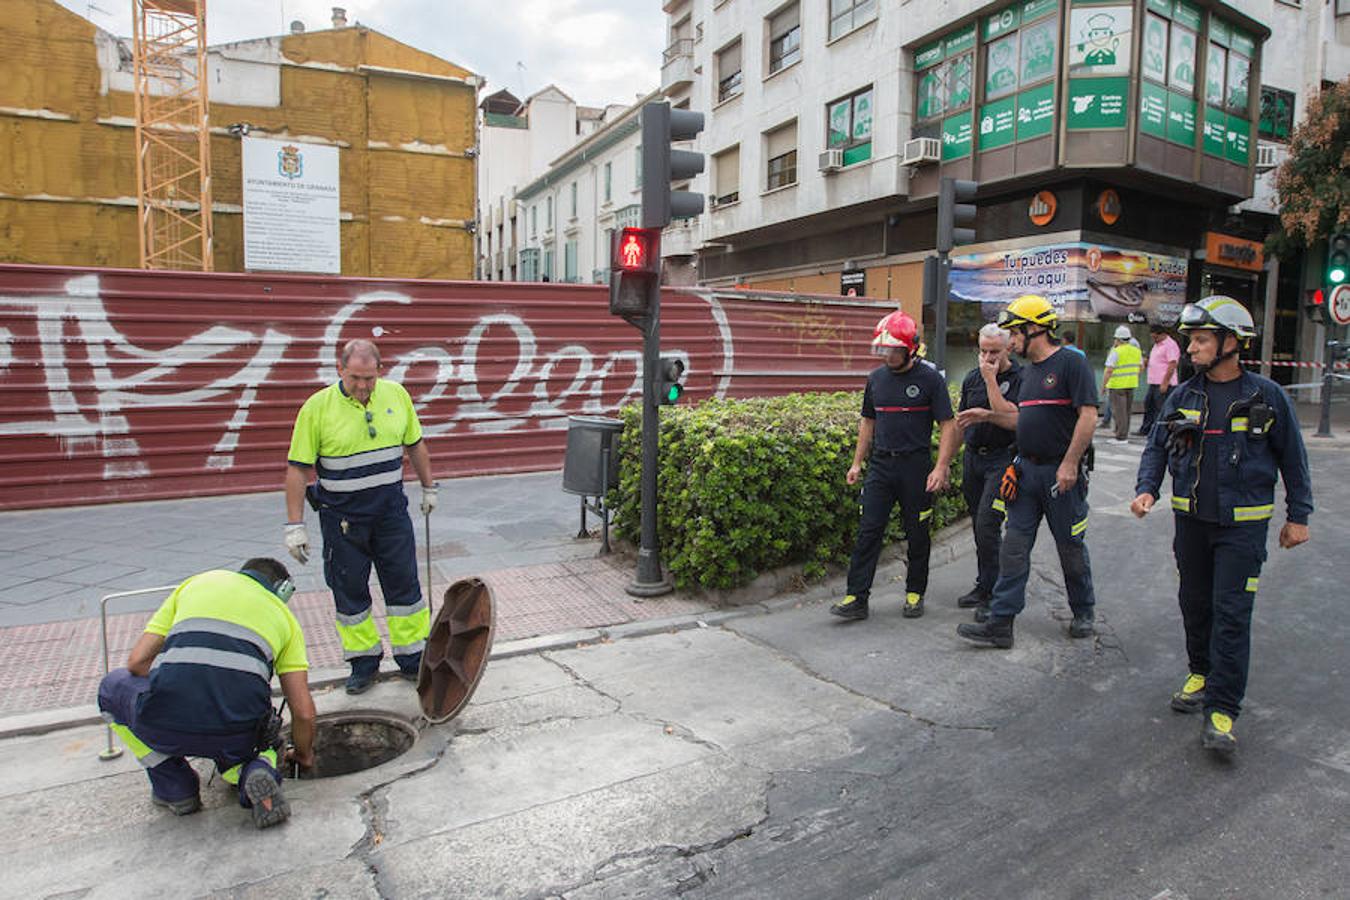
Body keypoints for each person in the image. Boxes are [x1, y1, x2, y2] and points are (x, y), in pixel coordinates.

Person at [1131, 296, 1312, 755]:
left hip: (1242, 528)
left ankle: (1223, 709)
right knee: (1195, 603)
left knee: (1231, 614)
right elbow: (1157, 446)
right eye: (1191, 339)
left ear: (1231, 343)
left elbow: (1294, 457)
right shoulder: (1183, 395)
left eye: (1201, 339)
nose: (1191, 348)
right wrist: (1147, 487)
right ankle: (1201, 671)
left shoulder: (1266, 397)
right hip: (1191, 522)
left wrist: (1299, 517)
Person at [97, 558, 316, 828]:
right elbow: (303, 712)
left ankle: (176, 788)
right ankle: (256, 769)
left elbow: (136, 663)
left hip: (163, 721)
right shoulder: (286, 619)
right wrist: (304, 756)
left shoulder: (197, 583)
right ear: (283, 590)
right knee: (266, 733)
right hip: (236, 734)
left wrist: (185, 683)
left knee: (111, 687)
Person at [284, 339, 437, 695]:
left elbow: (415, 444)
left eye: (369, 378)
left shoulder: (396, 396)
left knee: (405, 587)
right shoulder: (317, 408)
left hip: (390, 514)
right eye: (355, 378)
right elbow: (297, 469)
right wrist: (295, 526)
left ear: (380, 371)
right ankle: (363, 663)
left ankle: (413, 657)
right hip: (343, 520)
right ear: (340, 370)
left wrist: (429, 487)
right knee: (350, 593)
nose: (363, 386)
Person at [957, 295, 1098, 648]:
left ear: (1034, 328)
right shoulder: (1030, 372)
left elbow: (1088, 415)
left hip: (1060, 477)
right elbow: (1019, 418)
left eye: (1014, 333)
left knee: (1070, 547)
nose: (1010, 340)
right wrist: (988, 415)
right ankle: (1001, 623)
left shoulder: (1071, 364)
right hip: (1025, 474)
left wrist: (1069, 463)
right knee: (1014, 549)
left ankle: (1083, 610)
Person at [831, 310, 958, 621]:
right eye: (884, 348)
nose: (887, 354)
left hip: (915, 468)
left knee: (917, 533)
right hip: (881, 467)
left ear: (910, 348)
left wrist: (940, 467)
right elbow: (867, 422)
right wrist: (857, 463)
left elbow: (948, 425)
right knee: (868, 532)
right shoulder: (876, 380)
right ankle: (856, 598)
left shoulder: (930, 379)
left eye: (894, 348)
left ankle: (915, 592)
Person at [953, 323, 1022, 618]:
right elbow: (961, 422)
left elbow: (1013, 419)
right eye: (983, 350)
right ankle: (984, 584)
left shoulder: (1020, 377)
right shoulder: (972, 378)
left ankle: (995, 592)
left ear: (1008, 348)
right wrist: (944, 463)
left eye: (994, 351)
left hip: (1001, 459)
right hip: (974, 458)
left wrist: (991, 382)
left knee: (988, 524)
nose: (987, 357)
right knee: (978, 525)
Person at [1100, 324, 1141, 442]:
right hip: (1131, 384)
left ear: (1118, 339)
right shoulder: (1136, 351)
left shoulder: (1116, 351)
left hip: (1117, 385)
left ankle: (1120, 436)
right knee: (1126, 411)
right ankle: (1123, 434)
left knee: (1118, 412)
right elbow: (1140, 367)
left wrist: (1103, 386)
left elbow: (1109, 370)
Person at [1138, 324, 1180, 436]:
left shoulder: (1170, 345)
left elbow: (1172, 364)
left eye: (1155, 337)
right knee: (1149, 405)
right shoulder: (1157, 345)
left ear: (1163, 334)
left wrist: (1165, 383)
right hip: (1153, 382)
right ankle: (1146, 428)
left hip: (1164, 383)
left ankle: (1157, 431)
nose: (1154, 339)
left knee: (1159, 408)